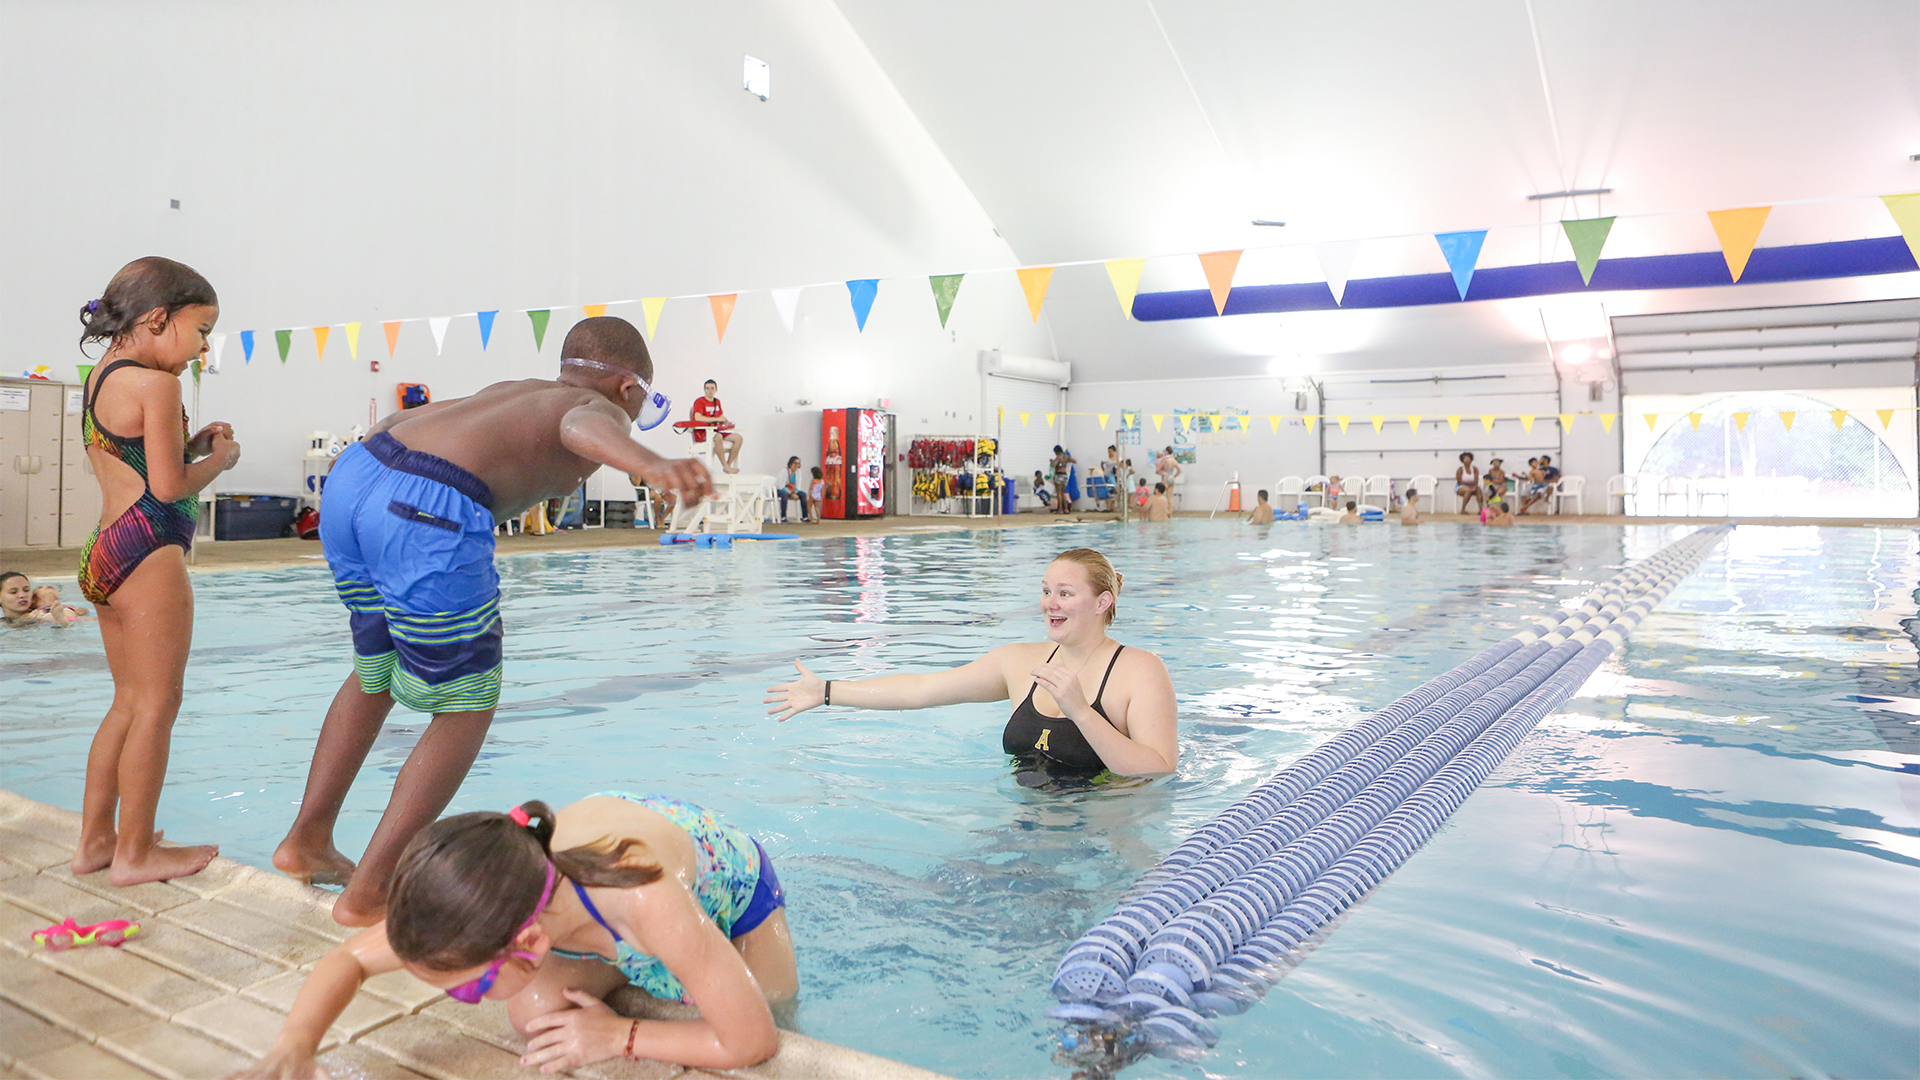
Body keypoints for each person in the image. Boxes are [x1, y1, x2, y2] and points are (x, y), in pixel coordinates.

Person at [272, 316, 713, 927]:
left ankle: (307, 839)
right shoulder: (595, 405)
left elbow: (394, 425)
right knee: (466, 705)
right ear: (629, 388)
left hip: (356, 479)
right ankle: (369, 891)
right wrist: (650, 462)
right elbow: (580, 426)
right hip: (422, 506)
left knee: (375, 673)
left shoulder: (515, 390)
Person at [239, 795, 791, 1079]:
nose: (461, 994)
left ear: (526, 944)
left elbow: (753, 1042)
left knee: (768, 1006)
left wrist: (621, 1036)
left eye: (466, 989)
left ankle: (666, 958)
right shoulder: (485, 891)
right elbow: (349, 961)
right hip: (600, 877)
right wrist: (293, 1049)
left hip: (729, 886)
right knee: (536, 1017)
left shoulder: (648, 900)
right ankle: (637, 961)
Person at [69, 258, 240, 885]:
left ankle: (97, 842)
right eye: (201, 331)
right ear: (156, 318)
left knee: (126, 703)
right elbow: (168, 490)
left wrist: (193, 447)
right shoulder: (158, 386)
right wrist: (219, 460)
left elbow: (138, 463)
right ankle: (136, 853)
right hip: (147, 554)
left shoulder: (103, 376)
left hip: (103, 551)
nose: (201, 350)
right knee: (157, 706)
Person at [765, 548, 1176, 784]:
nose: (1050, 602)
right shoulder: (1019, 662)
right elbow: (922, 690)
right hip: (1023, 826)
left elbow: (1160, 769)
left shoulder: (1140, 671)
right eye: (1047, 590)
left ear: (1102, 602)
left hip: (1101, 835)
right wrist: (826, 692)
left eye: (1065, 593)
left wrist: (1082, 713)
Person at [687, 380, 742, 474]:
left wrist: (725, 421)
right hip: (704, 433)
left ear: (716, 389)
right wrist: (715, 419)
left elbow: (721, 416)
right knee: (718, 437)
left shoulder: (717, 402)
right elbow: (698, 417)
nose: (710, 391)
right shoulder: (699, 401)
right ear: (704, 390)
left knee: (738, 438)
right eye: (707, 388)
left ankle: (728, 466)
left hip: (717, 430)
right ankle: (725, 465)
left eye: (712, 388)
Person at [779, 456, 808, 523]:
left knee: (803, 495)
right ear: (790, 464)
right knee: (784, 495)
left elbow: (798, 485)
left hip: (792, 490)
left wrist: (795, 493)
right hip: (781, 490)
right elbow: (781, 486)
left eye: (798, 463)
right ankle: (783, 516)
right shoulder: (784, 471)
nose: (797, 465)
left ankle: (805, 516)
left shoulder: (798, 472)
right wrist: (791, 493)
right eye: (795, 463)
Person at [1454, 452, 1483, 516]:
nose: (1467, 460)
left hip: (1472, 486)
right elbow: (1459, 481)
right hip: (1461, 486)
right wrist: (1470, 484)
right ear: (1462, 460)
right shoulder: (1460, 469)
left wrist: (1474, 486)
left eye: (1468, 458)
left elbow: (1476, 480)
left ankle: (1481, 510)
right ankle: (1463, 509)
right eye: (1465, 458)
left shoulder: (1475, 469)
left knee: (1478, 490)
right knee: (1468, 490)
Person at [1051, 446, 1075, 514]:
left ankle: (1060, 509)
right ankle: (1066, 509)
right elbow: (1074, 461)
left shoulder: (1058, 456)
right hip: (1064, 475)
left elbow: (1054, 464)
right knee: (1063, 492)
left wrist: (1052, 462)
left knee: (1059, 493)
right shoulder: (1066, 456)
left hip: (1058, 474)